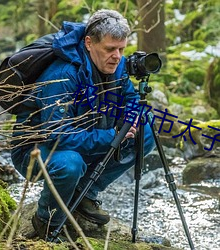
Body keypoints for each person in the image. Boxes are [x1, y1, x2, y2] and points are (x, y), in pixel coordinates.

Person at [11, 9, 155, 241]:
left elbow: (130, 101)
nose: (117, 56)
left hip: (86, 135)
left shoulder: (116, 66)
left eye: (121, 49)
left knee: (145, 132)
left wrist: (134, 118)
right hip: (36, 150)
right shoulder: (62, 75)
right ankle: (46, 221)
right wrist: (112, 135)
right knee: (70, 164)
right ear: (89, 43)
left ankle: (85, 193)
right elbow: (57, 136)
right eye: (110, 49)